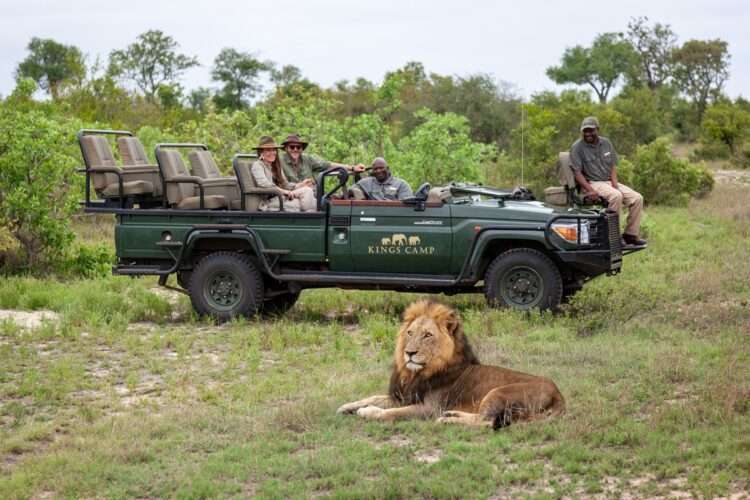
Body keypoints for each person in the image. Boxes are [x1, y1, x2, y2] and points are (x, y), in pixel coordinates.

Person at [570, 117, 646, 246]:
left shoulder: (606, 143)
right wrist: (590, 190)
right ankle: (613, 237)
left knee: (637, 198)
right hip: (593, 183)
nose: (588, 133)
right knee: (616, 196)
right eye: (585, 131)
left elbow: (612, 166)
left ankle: (630, 235)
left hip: (608, 182)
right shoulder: (577, 147)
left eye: (591, 130)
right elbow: (577, 173)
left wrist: (615, 184)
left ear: (597, 130)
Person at [250, 136, 316, 212]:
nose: (272, 153)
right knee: (306, 196)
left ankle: (312, 217)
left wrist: (301, 184)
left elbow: (285, 184)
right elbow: (265, 184)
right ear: (261, 152)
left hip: (281, 197)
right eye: (268, 150)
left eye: (274, 150)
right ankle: (312, 219)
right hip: (270, 200)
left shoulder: (275, 166)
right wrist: (285, 192)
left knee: (308, 191)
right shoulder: (258, 165)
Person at [280, 133, 365, 187]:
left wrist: (352, 168)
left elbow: (327, 165)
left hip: (311, 193)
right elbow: (282, 184)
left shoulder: (307, 159)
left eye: (298, 147)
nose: (295, 149)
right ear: (286, 148)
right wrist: (300, 185)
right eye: (292, 147)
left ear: (302, 149)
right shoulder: (280, 161)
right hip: (291, 194)